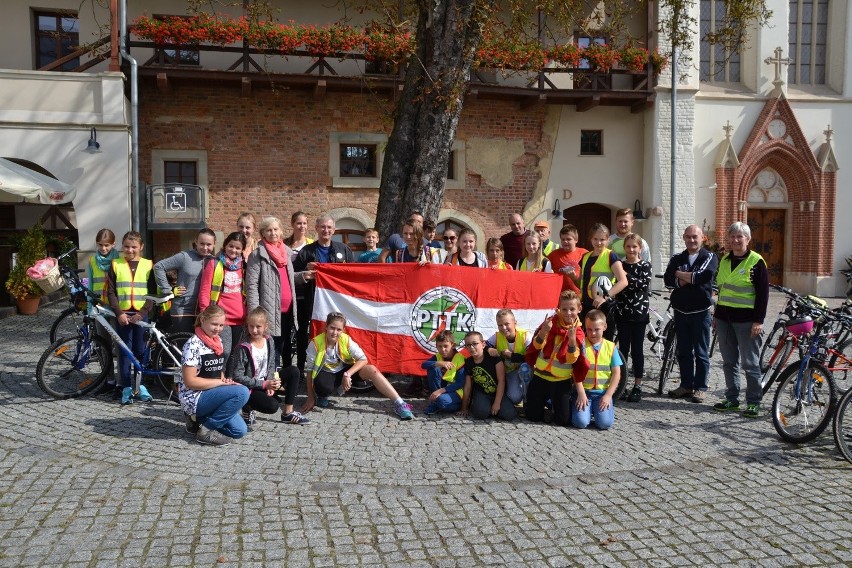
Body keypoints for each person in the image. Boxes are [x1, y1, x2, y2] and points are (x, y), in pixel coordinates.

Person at [302, 311, 414, 420]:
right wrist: (310, 398)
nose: (335, 332)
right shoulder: (315, 343)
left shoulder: (345, 339)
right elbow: (309, 370)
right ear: (326, 327)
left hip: (344, 371)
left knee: (372, 370)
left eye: (339, 329)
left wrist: (348, 374)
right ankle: (322, 395)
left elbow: (363, 359)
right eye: (332, 328)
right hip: (326, 373)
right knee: (324, 387)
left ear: (343, 331)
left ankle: (400, 404)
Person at [713, 222, 769, 418]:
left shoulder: (756, 262)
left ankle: (754, 402)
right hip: (724, 319)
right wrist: (716, 315)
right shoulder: (725, 260)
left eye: (740, 237)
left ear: (748, 239)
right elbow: (722, 290)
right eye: (733, 237)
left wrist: (758, 321)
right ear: (728, 239)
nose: (736, 240)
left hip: (747, 322)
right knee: (729, 362)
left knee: (750, 364)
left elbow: (763, 295)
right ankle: (732, 399)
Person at [179, 304, 250, 446]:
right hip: (194, 396)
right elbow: (189, 382)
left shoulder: (218, 341)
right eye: (214, 324)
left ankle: (197, 420)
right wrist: (221, 383)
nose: (218, 329)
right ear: (203, 320)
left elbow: (218, 368)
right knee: (242, 392)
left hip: (212, 392)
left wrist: (223, 378)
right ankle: (205, 431)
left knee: (239, 431)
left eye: (221, 325)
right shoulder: (193, 345)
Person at [663, 224, 719, 404]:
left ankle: (700, 387)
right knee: (683, 351)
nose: (691, 240)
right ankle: (686, 385)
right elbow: (668, 279)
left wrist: (681, 275)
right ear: (684, 238)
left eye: (695, 236)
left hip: (701, 312)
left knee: (701, 352)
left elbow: (703, 276)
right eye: (688, 237)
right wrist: (688, 278)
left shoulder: (709, 256)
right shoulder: (677, 257)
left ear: (702, 238)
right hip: (680, 311)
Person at [228, 307, 310, 427]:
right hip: (250, 387)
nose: (254, 330)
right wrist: (264, 384)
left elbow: (271, 364)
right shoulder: (243, 347)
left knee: (294, 371)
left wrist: (273, 381)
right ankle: (247, 406)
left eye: (258, 327)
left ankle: (288, 412)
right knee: (272, 406)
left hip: (266, 381)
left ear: (266, 326)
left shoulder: (269, 340)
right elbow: (237, 376)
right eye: (251, 326)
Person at [293, 214, 354, 372]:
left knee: (337, 333)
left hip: (338, 301)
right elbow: (293, 275)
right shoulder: (306, 252)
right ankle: (303, 368)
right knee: (306, 335)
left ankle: (339, 368)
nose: (325, 230)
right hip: (312, 301)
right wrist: (306, 270)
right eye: (322, 227)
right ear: (316, 229)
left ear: (334, 230)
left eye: (329, 227)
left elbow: (354, 273)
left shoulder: (344, 250)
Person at [245, 216, 306, 370]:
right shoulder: (257, 255)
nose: (273, 233)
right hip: (268, 311)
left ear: (281, 231)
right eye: (269, 230)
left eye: (276, 229)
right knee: (273, 349)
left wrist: (303, 276)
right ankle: (271, 384)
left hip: (288, 310)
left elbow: (287, 279)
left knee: (285, 347)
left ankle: (284, 381)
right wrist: (255, 314)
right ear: (263, 234)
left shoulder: (286, 252)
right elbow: (251, 286)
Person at [107, 231, 157, 405]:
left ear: (141, 247)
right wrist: (118, 312)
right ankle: (126, 387)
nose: (130, 250)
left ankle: (140, 386)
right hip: (123, 314)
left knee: (141, 351)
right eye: (127, 246)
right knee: (124, 351)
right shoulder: (115, 264)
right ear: (122, 246)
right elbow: (111, 291)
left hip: (141, 314)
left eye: (134, 247)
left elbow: (152, 292)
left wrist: (142, 313)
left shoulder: (149, 265)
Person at [526, 291, 587, 425]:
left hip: (561, 380)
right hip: (540, 376)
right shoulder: (549, 323)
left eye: (572, 309)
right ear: (559, 308)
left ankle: (555, 403)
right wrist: (544, 331)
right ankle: (546, 403)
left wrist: (571, 340)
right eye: (564, 309)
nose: (568, 313)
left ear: (579, 309)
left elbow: (572, 360)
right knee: (532, 416)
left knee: (563, 421)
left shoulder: (579, 332)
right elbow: (536, 346)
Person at [153, 228, 216, 333]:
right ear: (196, 242)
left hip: (203, 311)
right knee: (183, 343)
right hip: (182, 309)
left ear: (214, 244)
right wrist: (168, 289)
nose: (205, 248)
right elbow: (159, 267)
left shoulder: (215, 261)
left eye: (208, 244)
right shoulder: (184, 257)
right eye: (202, 244)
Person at [198, 232, 248, 362]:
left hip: (240, 318)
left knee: (237, 354)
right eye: (231, 246)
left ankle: (231, 379)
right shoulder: (214, 263)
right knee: (223, 352)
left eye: (238, 248)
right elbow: (205, 289)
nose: (234, 250)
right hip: (221, 318)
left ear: (242, 250)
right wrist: (205, 312)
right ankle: (219, 379)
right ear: (225, 245)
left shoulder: (245, 266)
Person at [614, 233, 652, 402]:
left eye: (634, 246)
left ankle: (638, 384)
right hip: (622, 312)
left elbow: (641, 284)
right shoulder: (620, 265)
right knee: (623, 350)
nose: (631, 249)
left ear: (640, 248)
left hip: (638, 314)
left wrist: (625, 278)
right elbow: (617, 285)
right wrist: (623, 280)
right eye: (628, 246)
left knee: (637, 350)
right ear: (624, 248)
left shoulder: (645, 265)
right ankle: (622, 383)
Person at [572, 309, 623, 430]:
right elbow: (576, 371)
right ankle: (584, 410)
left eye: (597, 329)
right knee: (581, 423)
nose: (593, 333)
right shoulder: (582, 345)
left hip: (602, 394)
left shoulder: (610, 347)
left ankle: (595, 411)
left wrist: (608, 395)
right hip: (585, 392)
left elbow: (616, 374)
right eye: (589, 329)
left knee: (604, 424)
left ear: (604, 327)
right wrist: (581, 393)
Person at [579, 223, 628, 339]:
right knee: (586, 343)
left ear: (607, 240)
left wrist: (604, 297)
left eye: (602, 239)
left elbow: (623, 281)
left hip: (604, 307)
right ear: (590, 239)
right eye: (595, 239)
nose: (599, 242)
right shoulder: (585, 257)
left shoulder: (611, 256)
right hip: (587, 306)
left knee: (604, 343)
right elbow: (584, 282)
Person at [88, 228, 120, 395]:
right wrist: (90, 308)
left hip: (115, 309)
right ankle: (109, 380)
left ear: (113, 244)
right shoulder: (93, 261)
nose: (103, 249)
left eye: (107, 245)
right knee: (103, 346)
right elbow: (91, 286)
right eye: (100, 245)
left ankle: (121, 382)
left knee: (120, 346)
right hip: (100, 309)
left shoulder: (119, 261)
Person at [461, 331, 516, 421]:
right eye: (468, 345)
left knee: (510, 415)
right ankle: (485, 407)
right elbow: (467, 386)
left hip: (498, 393)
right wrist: (464, 408)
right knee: (481, 414)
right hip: (481, 393)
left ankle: (493, 408)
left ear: (483, 344)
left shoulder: (494, 358)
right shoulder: (468, 362)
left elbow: (501, 381)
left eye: (475, 344)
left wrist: (497, 403)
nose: (471, 347)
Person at [485, 309, 531, 406]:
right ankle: (518, 395)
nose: (504, 328)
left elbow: (531, 358)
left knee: (525, 368)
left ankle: (528, 398)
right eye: (500, 325)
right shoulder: (497, 336)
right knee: (514, 398)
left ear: (515, 323)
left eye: (507, 324)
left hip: (526, 371)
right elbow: (484, 346)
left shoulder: (525, 335)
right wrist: (489, 349)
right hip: (510, 371)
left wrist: (511, 355)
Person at [421, 330, 466, 415]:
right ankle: (435, 403)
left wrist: (441, 391)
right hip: (443, 389)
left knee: (442, 401)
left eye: (446, 346)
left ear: (453, 345)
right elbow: (423, 365)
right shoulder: (438, 356)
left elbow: (460, 383)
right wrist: (439, 363)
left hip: (455, 390)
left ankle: (454, 404)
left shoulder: (460, 359)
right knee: (433, 368)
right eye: (439, 346)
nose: (442, 349)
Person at [547, 224, 588, 294]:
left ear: (576, 240)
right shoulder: (553, 255)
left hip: (579, 296)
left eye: (568, 239)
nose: (565, 241)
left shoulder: (584, 253)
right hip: (560, 295)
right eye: (563, 239)